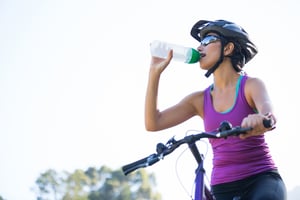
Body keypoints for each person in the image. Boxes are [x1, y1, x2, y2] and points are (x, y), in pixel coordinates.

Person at [145, 19, 287, 200]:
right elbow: (153, 122)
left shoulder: (251, 86)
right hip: (222, 187)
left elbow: (268, 113)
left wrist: (261, 120)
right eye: (199, 43)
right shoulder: (198, 100)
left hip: (261, 179)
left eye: (207, 41)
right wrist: (154, 73)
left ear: (228, 48)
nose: (199, 47)